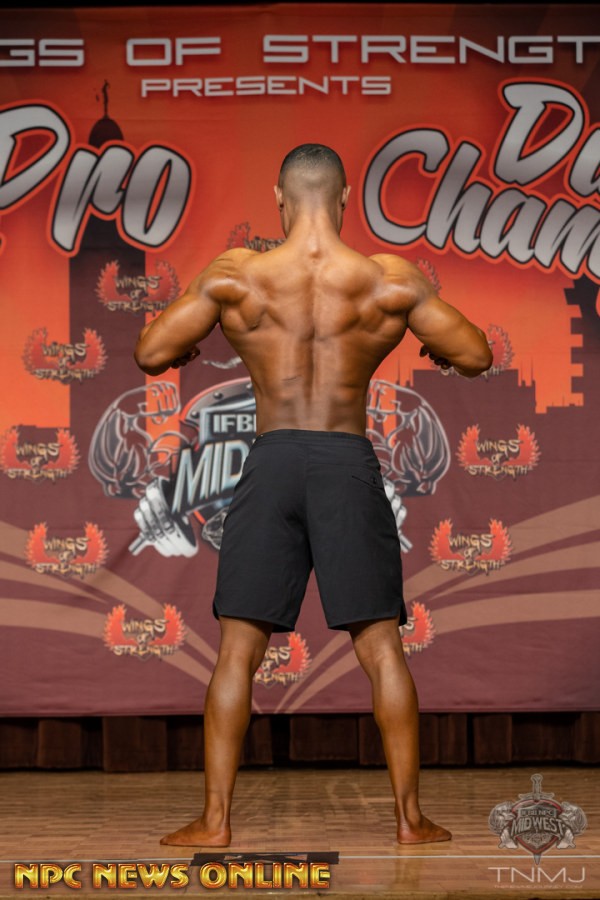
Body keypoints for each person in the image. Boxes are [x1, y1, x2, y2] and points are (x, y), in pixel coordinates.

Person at [134, 144, 493, 847]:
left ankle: (215, 822)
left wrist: (190, 340)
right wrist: (437, 349)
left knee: (238, 650)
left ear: (278, 196)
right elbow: (477, 354)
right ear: (347, 196)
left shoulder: (237, 274)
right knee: (381, 646)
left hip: (272, 462)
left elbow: (151, 351)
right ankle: (409, 820)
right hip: (344, 463)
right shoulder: (388, 279)